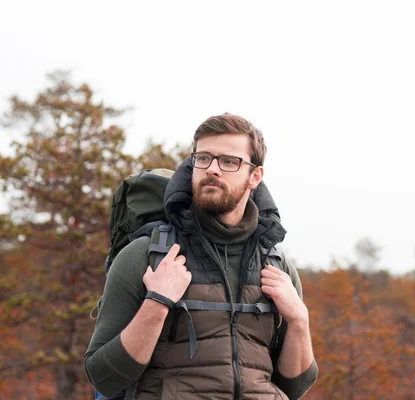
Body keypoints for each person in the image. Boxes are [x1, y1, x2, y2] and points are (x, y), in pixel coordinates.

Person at [85, 113, 318, 400]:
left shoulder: (276, 265)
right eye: (204, 158)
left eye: (229, 161)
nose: (213, 170)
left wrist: (298, 321)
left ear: (255, 176)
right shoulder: (147, 256)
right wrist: (156, 303)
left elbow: (294, 387)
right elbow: (103, 377)